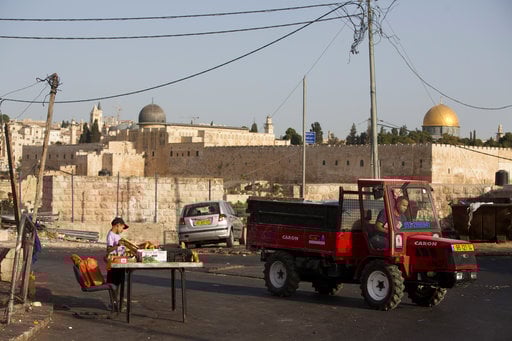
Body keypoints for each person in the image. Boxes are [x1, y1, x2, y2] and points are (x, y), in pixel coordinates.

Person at [106, 217, 129, 297]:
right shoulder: (111, 235)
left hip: (120, 261)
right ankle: (115, 301)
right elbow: (108, 249)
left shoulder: (117, 235)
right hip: (114, 262)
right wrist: (117, 245)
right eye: (122, 228)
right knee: (114, 283)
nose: (122, 230)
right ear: (117, 225)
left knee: (119, 282)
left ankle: (118, 301)